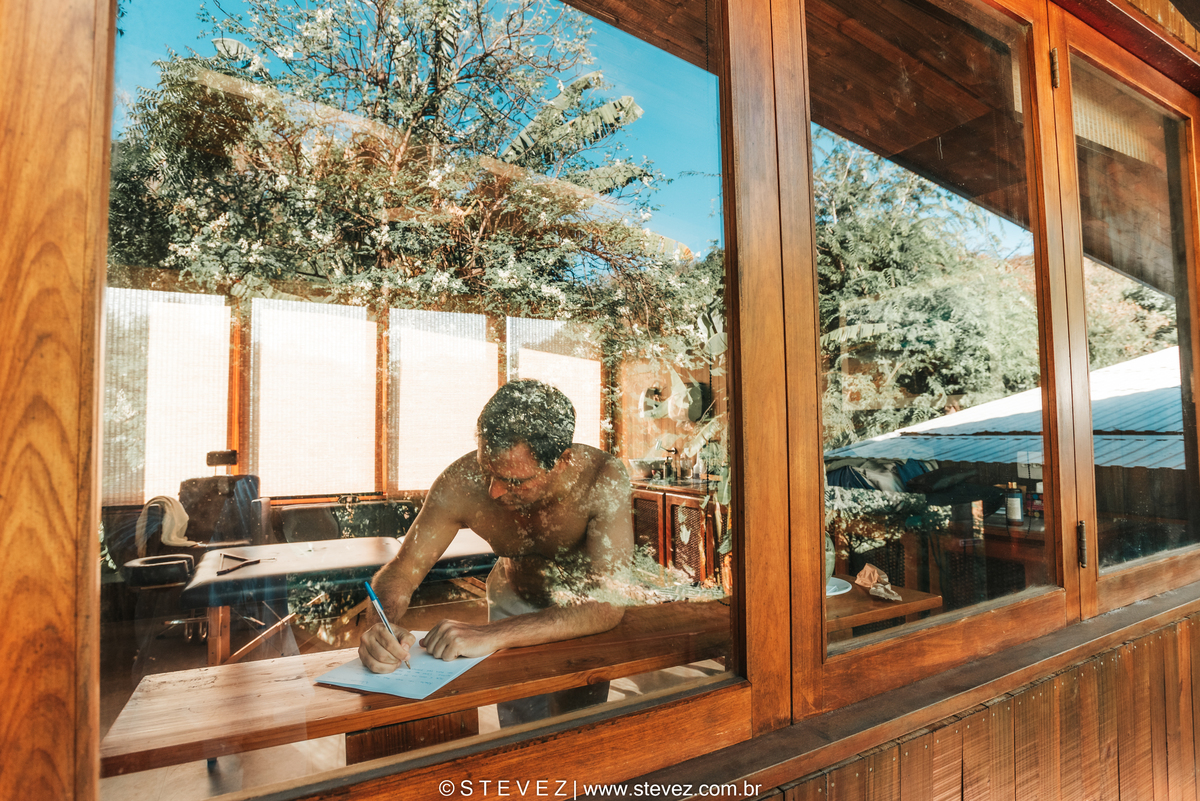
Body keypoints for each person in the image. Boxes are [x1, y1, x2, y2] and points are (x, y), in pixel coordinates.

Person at [358, 379, 634, 724]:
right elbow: (404, 568)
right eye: (487, 470)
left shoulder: (601, 480)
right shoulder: (460, 482)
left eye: (515, 480)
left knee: (581, 720)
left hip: (581, 607)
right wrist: (379, 627)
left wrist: (489, 635)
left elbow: (606, 604)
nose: (494, 492)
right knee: (519, 725)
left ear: (562, 460)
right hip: (512, 595)